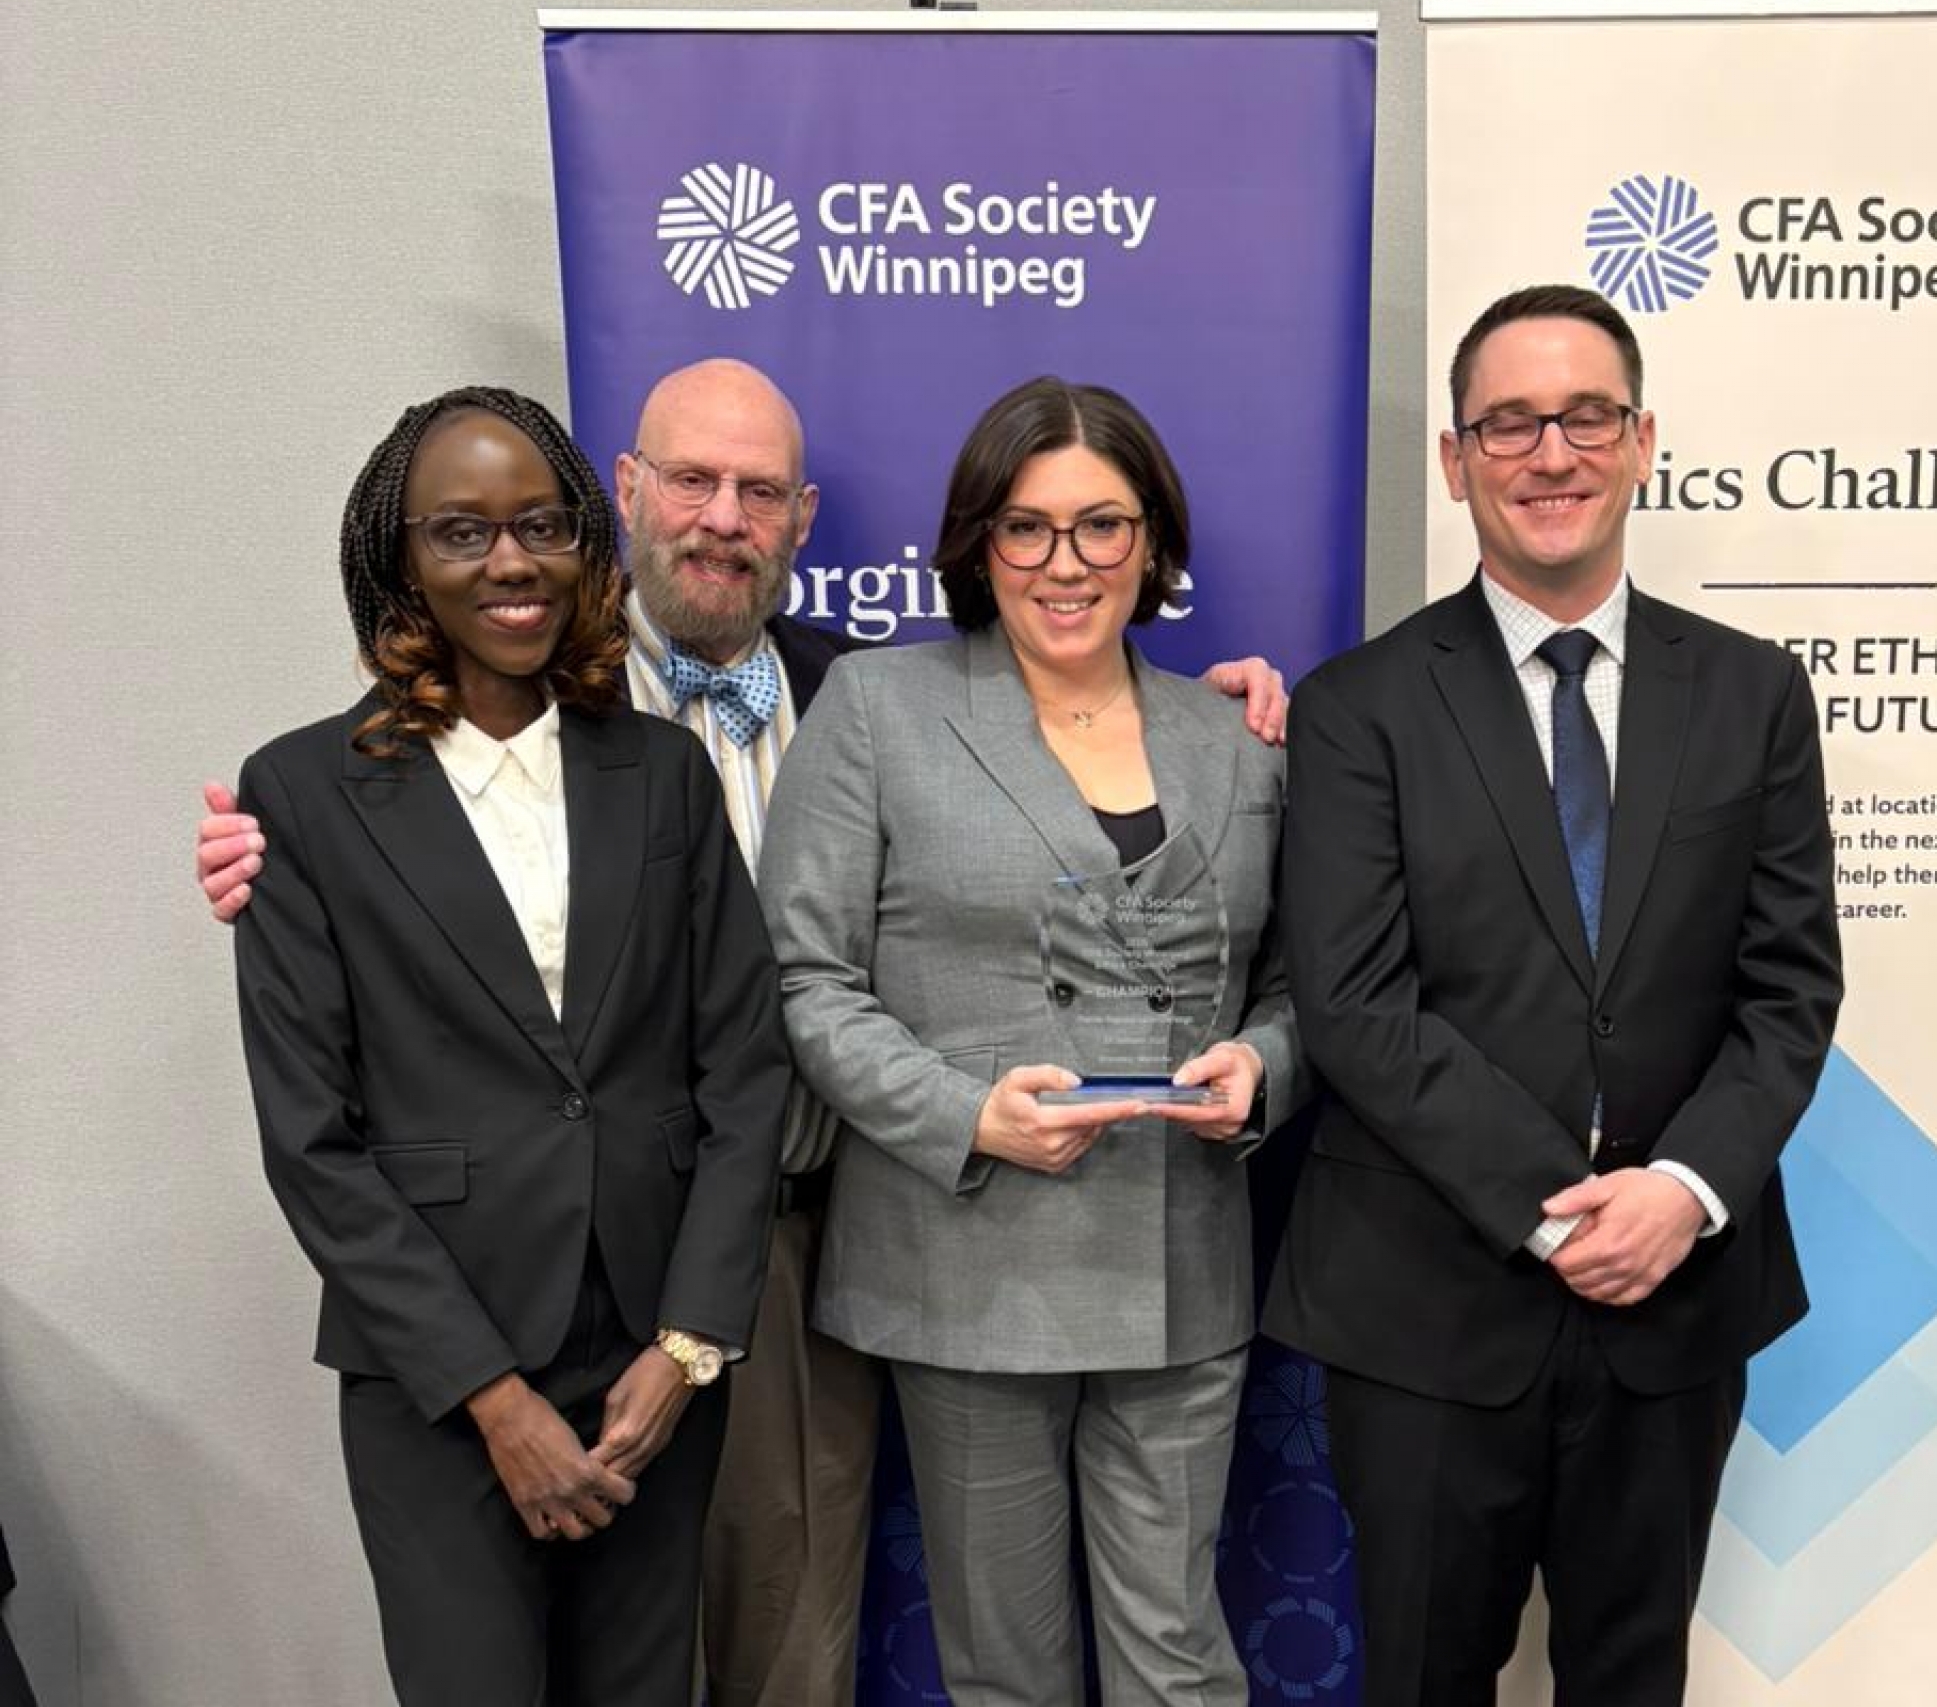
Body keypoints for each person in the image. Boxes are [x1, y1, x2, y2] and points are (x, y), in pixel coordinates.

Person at [194, 358, 1291, 1707]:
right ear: (627, 494)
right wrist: (268, 857)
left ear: (802, 517)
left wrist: (1222, 715)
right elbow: (373, 961)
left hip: (788, 1229)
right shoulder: (472, 714)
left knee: (780, 1644)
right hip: (527, 1292)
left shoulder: (845, 690)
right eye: (693, 481)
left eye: (760, 491)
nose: (724, 517)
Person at [1263, 285, 1844, 1706]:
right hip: (1426, 1305)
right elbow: (1355, 1003)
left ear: (1641, 441)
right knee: (1422, 1678)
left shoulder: (1755, 695)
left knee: (1633, 1679)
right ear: (1456, 460)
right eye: (1509, 424)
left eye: (1586, 417)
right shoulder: (1358, 708)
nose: (1551, 454)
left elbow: (1789, 988)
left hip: (1676, 1298)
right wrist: (1561, 1206)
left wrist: (1680, 1194)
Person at [229, 385, 790, 1704]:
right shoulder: (301, 795)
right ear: (401, 559)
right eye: (461, 531)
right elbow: (312, 1141)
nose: (510, 562)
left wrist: (690, 1346)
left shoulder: (663, 774)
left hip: (653, 1362)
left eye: (540, 525)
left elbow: (746, 1070)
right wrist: (492, 1397)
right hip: (438, 1375)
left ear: (584, 540)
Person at [757, 376, 1302, 1707]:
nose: (1067, 563)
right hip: (967, 1260)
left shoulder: (1238, 738)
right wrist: (967, 1116)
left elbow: (1297, 984)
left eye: (1102, 525)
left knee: (1180, 1664)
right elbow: (806, 980)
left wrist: (1265, 1070)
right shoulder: (876, 710)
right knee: (1005, 1675)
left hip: (1180, 1261)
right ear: (978, 543)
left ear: (1153, 543)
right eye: (1027, 527)